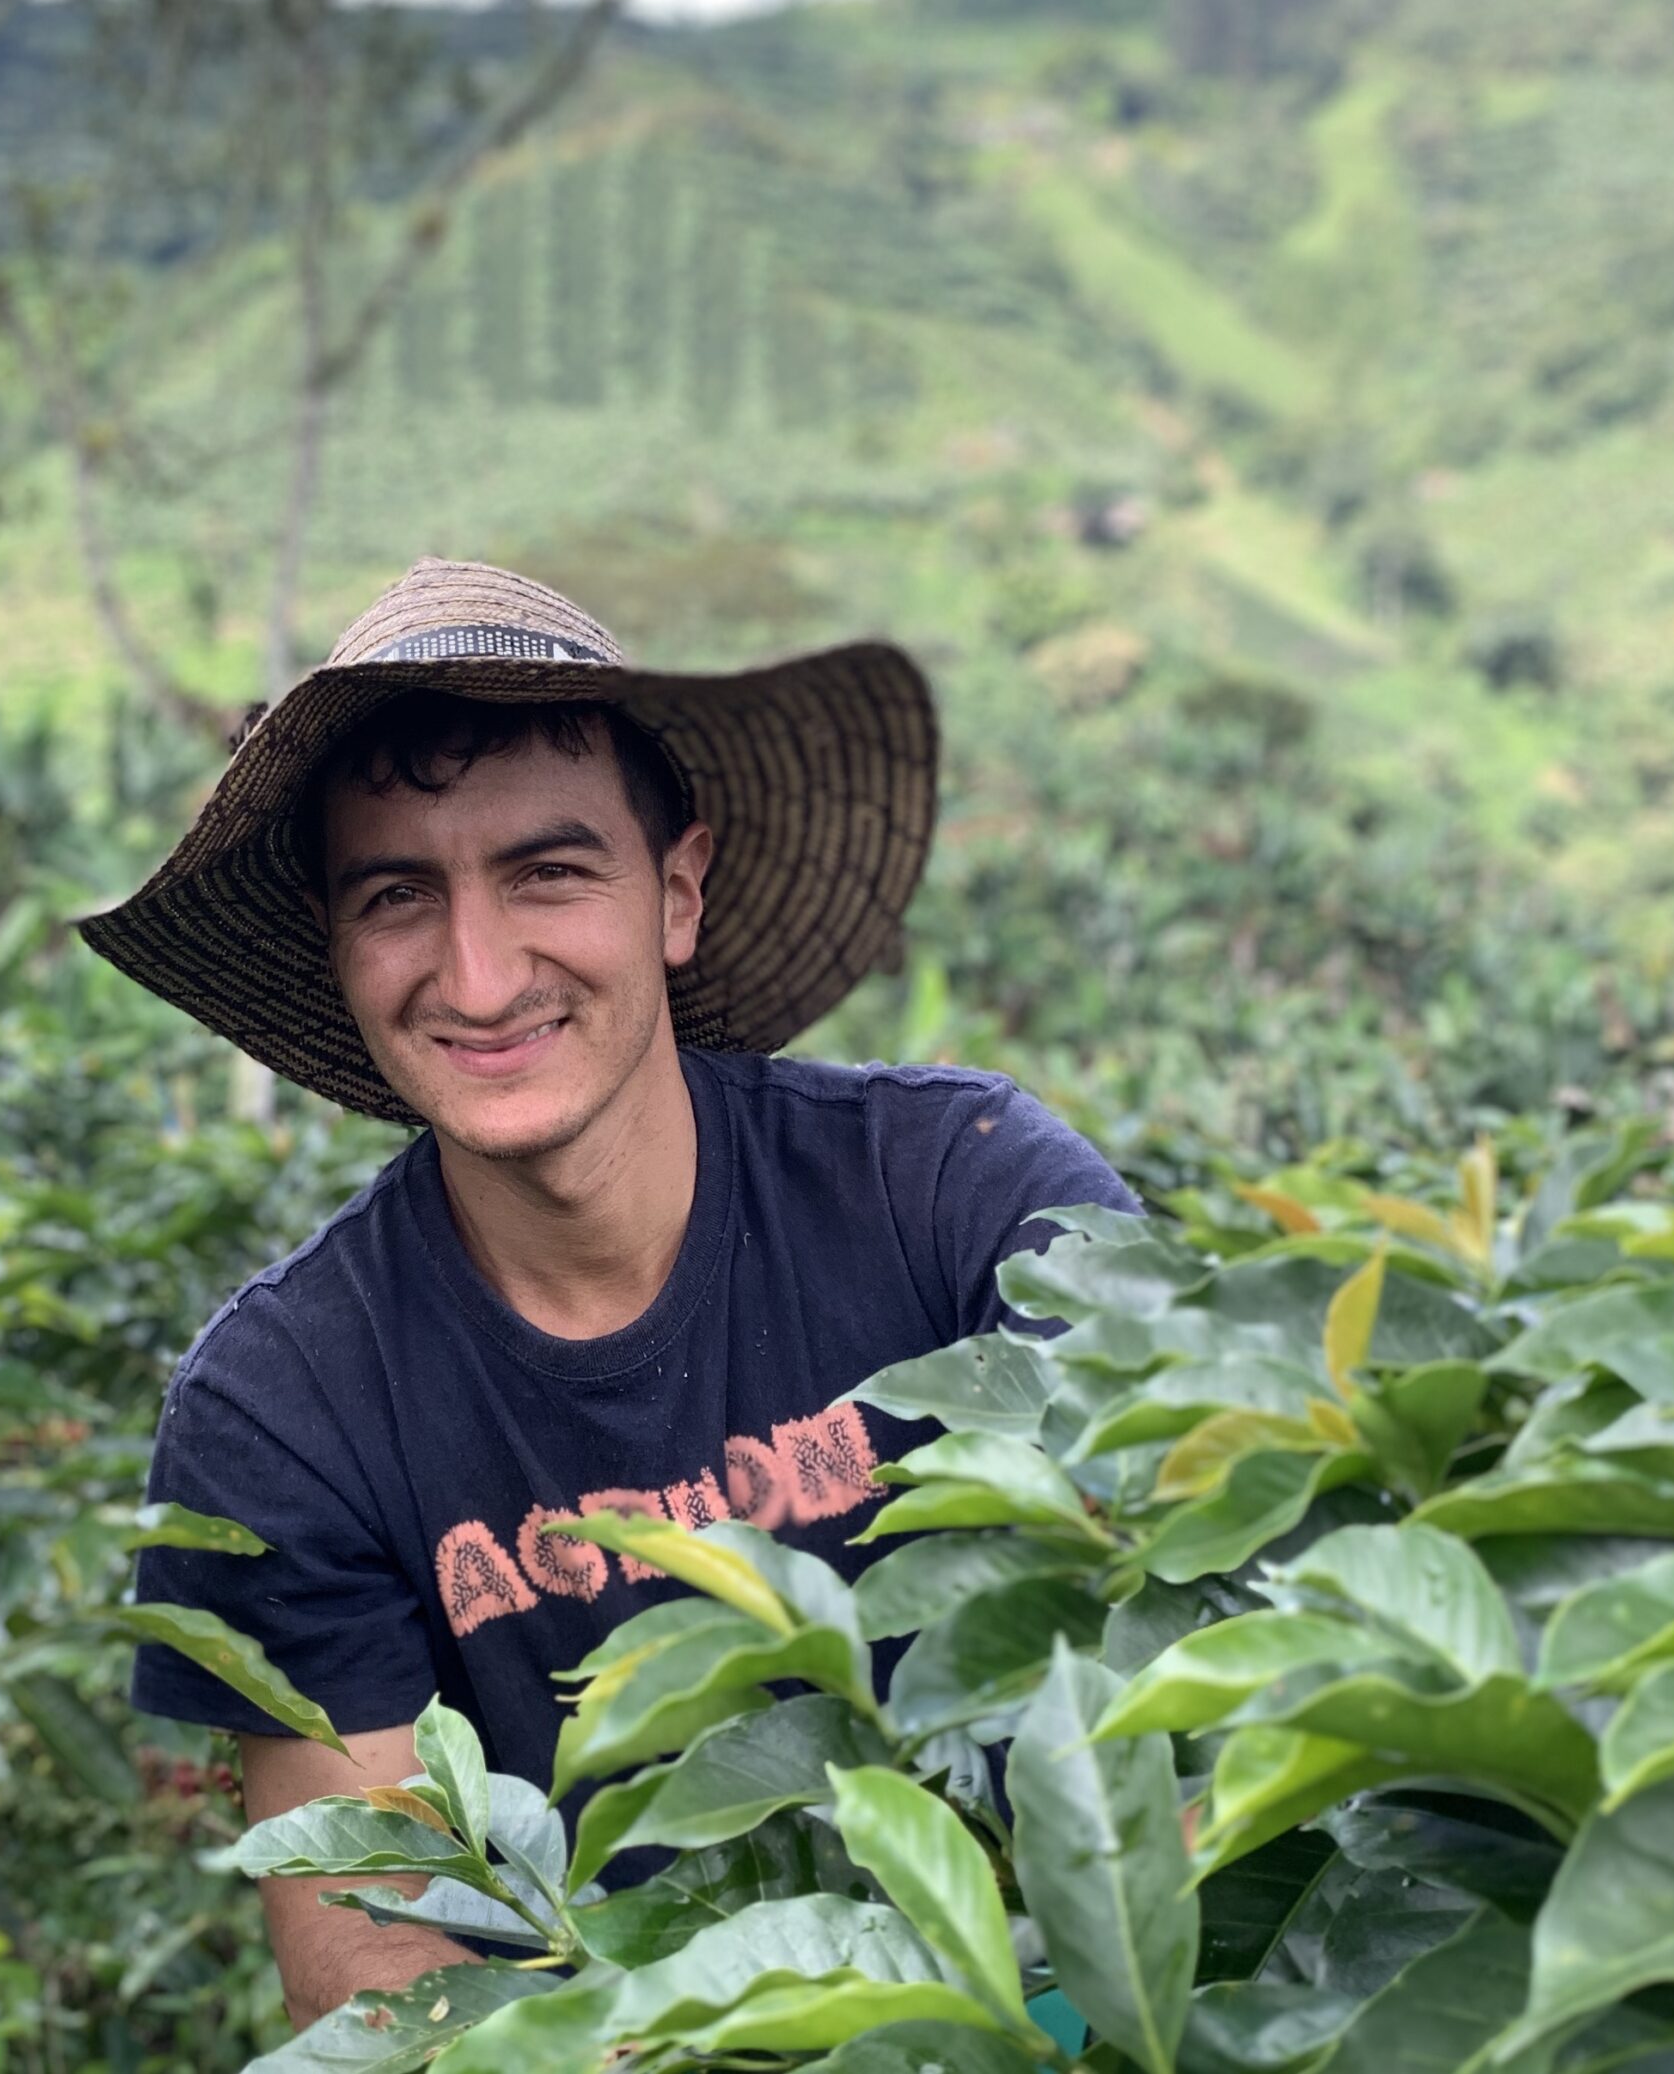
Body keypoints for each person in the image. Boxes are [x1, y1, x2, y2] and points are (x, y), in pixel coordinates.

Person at [76, 559, 1134, 2026]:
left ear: (676, 894)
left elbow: (1182, 1677)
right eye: (398, 893)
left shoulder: (959, 1192)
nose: (479, 967)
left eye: (548, 872)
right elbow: (382, 1976)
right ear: (339, 948)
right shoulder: (283, 1406)